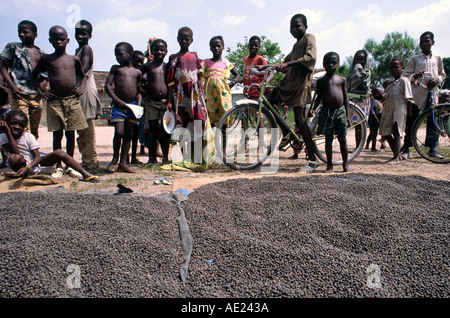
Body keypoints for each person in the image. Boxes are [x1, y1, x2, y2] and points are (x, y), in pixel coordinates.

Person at [31, 25, 88, 179]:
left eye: (61, 39)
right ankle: (59, 166)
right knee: (58, 134)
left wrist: (80, 89)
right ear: (50, 40)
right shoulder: (47, 59)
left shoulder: (73, 59)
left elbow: (83, 76)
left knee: (71, 133)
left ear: (67, 40)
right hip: (55, 101)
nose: (58, 42)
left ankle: (70, 165)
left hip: (72, 100)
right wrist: (42, 92)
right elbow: (33, 76)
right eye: (55, 39)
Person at [269, 13, 318, 172]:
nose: (295, 29)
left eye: (298, 26)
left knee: (300, 119)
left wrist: (287, 64)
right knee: (270, 100)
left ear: (305, 26)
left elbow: (310, 58)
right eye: (292, 27)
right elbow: (285, 62)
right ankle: (287, 133)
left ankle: (312, 159)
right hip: (291, 84)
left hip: (301, 85)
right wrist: (270, 67)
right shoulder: (296, 45)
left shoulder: (309, 38)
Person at [0, 110, 98, 182]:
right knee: (14, 158)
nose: (17, 127)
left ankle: (85, 174)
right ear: (6, 123)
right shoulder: (3, 137)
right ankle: (23, 175)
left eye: (21, 125)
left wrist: (29, 167)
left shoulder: (28, 136)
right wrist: (8, 133)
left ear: (25, 126)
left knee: (59, 152)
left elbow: (37, 157)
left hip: (32, 164)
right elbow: (16, 153)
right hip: (19, 165)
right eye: (13, 123)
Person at [400, 31, 446, 160]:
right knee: (411, 121)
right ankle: (407, 148)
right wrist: (415, 76)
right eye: (422, 42)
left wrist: (437, 79)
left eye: (427, 41)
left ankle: (432, 148)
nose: (424, 44)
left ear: (432, 42)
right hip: (416, 95)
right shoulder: (415, 59)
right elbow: (405, 76)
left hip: (432, 94)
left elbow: (442, 74)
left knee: (432, 120)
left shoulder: (437, 59)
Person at [167, 27, 208, 163]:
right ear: (177, 39)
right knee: (182, 125)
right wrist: (169, 101)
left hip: (195, 95)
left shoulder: (196, 56)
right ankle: (185, 157)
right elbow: (171, 82)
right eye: (181, 38)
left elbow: (200, 78)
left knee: (198, 123)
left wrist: (203, 94)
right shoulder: (173, 57)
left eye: (187, 39)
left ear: (191, 40)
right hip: (179, 96)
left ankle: (197, 156)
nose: (184, 41)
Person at [0, 20, 47, 140]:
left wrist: (41, 87)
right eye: (19, 32)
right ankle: (21, 156)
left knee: (34, 129)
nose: (21, 34)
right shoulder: (13, 47)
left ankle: (31, 154)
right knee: (21, 128)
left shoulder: (41, 53)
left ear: (35, 34)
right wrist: (12, 86)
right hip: (19, 94)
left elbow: (46, 74)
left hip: (35, 96)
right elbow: (3, 68)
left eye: (25, 32)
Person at [105, 42, 142, 173]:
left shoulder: (137, 72)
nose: (117, 57)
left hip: (132, 107)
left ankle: (123, 162)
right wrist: (117, 100)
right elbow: (107, 87)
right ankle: (114, 159)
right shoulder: (116, 69)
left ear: (130, 54)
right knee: (119, 132)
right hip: (119, 107)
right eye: (116, 55)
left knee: (129, 134)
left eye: (120, 54)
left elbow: (138, 91)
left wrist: (138, 105)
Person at [313, 52, 349, 173]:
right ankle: (329, 165)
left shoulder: (341, 80)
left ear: (338, 64)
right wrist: (314, 109)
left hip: (340, 111)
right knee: (328, 139)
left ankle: (345, 164)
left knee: (342, 139)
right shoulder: (321, 81)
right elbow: (319, 97)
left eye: (334, 62)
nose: (331, 65)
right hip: (326, 111)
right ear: (323, 64)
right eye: (328, 63)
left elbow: (346, 98)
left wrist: (347, 115)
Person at [74, 20, 101, 172]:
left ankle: (91, 162)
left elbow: (83, 69)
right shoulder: (78, 50)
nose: (80, 35)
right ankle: (87, 159)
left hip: (85, 91)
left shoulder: (86, 49)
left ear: (90, 35)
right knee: (81, 129)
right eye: (77, 32)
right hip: (80, 90)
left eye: (83, 33)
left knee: (87, 128)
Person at [140, 39, 171, 165]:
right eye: (156, 49)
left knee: (165, 131)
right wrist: (144, 92)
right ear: (152, 51)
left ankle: (165, 158)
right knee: (151, 131)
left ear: (166, 52)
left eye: (162, 50)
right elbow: (138, 81)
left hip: (165, 104)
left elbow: (171, 85)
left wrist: (169, 101)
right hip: (151, 103)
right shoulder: (147, 66)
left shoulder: (167, 67)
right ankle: (152, 158)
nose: (159, 52)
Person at [379, 58, 413, 165]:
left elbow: (409, 98)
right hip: (389, 109)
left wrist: (409, 112)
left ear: (402, 68)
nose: (393, 70)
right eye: (391, 68)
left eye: (396, 67)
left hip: (400, 108)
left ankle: (395, 158)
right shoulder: (391, 84)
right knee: (386, 132)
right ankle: (397, 154)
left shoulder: (404, 81)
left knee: (397, 131)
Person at [203, 36, 240, 128]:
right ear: (210, 48)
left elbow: (238, 75)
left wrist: (231, 84)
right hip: (209, 97)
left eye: (219, 46)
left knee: (224, 120)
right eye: (214, 46)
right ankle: (210, 142)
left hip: (223, 97)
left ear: (223, 47)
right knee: (209, 121)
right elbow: (199, 75)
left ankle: (223, 142)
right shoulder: (206, 62)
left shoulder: (226, 63)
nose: (216, 48)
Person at [346, 49, 371, 149]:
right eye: (357, 59)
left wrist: (358, 70)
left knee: (360, 125)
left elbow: (364, 84)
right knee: (356, 125)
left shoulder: (367, 72)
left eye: (362, 59)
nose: (359, 62)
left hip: (362, 100)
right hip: (353, 99)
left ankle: (359, 147)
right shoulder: (352, 70)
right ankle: (358, 146)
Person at [130, 50, 146, 165]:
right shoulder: (125, 71)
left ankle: (133, 157)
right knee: (125, 133)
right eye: (137, 61)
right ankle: (123, 157)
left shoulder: (140, 73)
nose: (139, 64)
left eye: (142, 62)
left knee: (135, 132)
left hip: (136, 106)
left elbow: (140, 90)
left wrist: (138, 105)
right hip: (125, 105)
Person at [365, 87, 384, 151]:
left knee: (372, 133)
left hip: (376, 119)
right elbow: (372, 111)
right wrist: (376, 119)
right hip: (374, 120)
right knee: (374, 134)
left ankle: (367, 145)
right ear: (377, 94)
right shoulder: (375, 101)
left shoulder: (379, 102)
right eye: (382, 93)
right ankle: (373, 147)